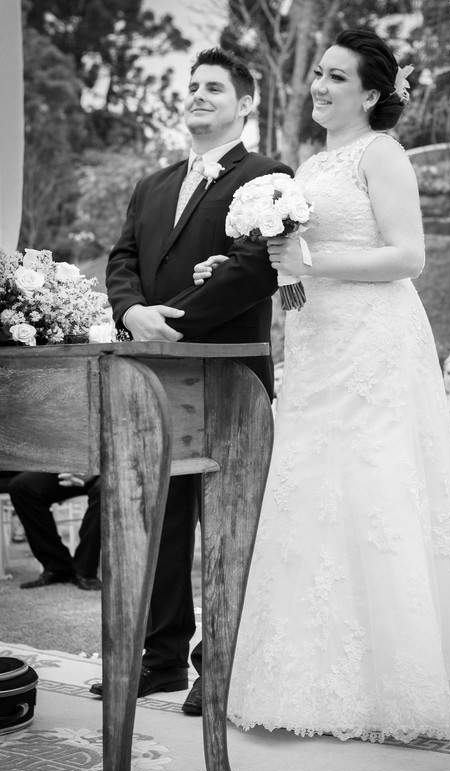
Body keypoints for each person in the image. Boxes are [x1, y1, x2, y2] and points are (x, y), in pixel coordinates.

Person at [197, 29, 450, 742]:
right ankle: (303, 678)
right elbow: (294, 258)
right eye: (319, 75)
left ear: (370, 93)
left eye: (337, 77)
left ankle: (396, 681)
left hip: (370, 342)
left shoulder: (382, 153)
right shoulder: (308, 164)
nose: (320, 86)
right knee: (309, 489)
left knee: (370, 491)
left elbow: (408, 256)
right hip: (314, 342)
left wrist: (312, 260)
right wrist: (251, 267)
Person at [93, 48, 292, 709]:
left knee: (225, 520)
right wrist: (131, 311)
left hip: (228, 372)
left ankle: (221, 667)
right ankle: (161, 659)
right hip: (151, 374)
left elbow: (255, 268)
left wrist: (172, 320)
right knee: (165, 516)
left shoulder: (267, 177)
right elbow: (122, 258)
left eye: (214, 87)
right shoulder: (152, 184)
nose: (198, 95)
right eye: (192, 86)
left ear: (244, 103)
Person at [8, 472, 101, 590]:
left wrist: (92, 472)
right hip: (66, 469)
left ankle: (85, 570)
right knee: (20, 486)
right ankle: (57, 566)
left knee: (107, 487)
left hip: (106, 470)